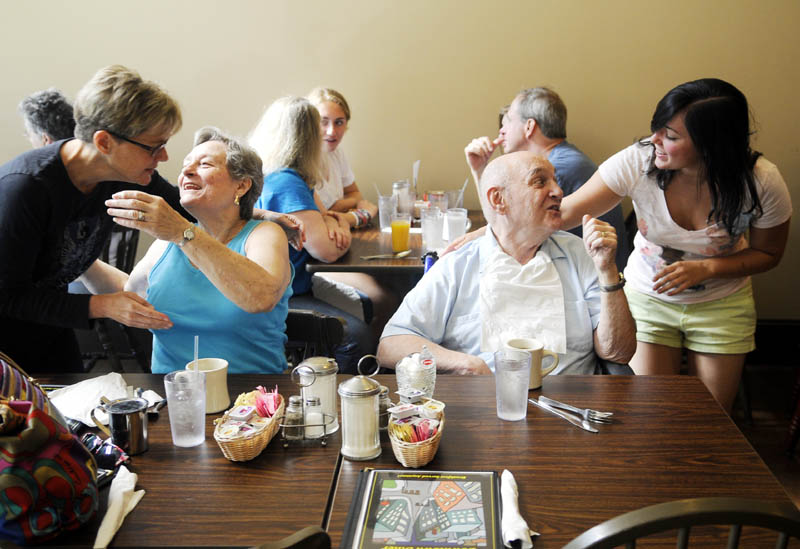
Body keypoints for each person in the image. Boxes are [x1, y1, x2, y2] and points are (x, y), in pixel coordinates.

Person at [557, 78, 792, 413]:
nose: (655, 140)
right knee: (649, 411)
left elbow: (769, 253)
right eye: (657, 129)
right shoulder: (639, 161)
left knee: (711, 417)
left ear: (712, 144)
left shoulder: (761, 181)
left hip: (722, 303)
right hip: (649, 298)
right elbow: (563, 213)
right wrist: (487, 232)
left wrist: (708, 267)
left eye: (671, 135)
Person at [377, 151, 636, 374]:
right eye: (539, 181)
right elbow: (391, 344)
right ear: (498, 200)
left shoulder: (582, 255)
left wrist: (608, 272)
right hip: (483, 412)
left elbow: (618, 353)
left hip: (571, 411)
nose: (558, 191)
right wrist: (464, 363)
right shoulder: (458, 265)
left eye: (555, 180)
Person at [94, 127, 292, 373]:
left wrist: (182, 231)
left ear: (241, 186)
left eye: (205, 164)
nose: (187, 171)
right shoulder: (167, 242)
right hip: (173, 398)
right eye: (186, 165)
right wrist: (80, 263)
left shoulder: (263, 235)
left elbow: (261, 296)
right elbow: (131, 292)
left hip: (249, 399)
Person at [249, 96, 372, 374]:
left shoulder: (284, 176)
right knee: (357, 336)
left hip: (287, 285)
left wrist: (332, 221)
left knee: (369, 301)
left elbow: (325, 217)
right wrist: (342, 227)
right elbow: (327, 250)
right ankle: (341, 403)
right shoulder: (286, 184)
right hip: (285, 293)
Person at [452, 87, 630, 270]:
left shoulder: (556, 171)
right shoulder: (564, 158)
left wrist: (480, 171)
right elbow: (500, 219)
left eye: (508, 121)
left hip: (592, 280)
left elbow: (501, 229)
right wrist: (480, 169)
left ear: (529, 126)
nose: (501, 132)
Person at [306, 87, 397, 342]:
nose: (331, 131)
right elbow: (354, 208)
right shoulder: (304, 163)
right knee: (383, 297)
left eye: (339, 122)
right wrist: (350, 215)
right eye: (323, 122)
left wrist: (335, 209)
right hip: (313, 262)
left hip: (337, 248)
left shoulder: (336, 154)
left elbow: (357, 195)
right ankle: (374, 360)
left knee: (398, 284)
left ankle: (382, 355)